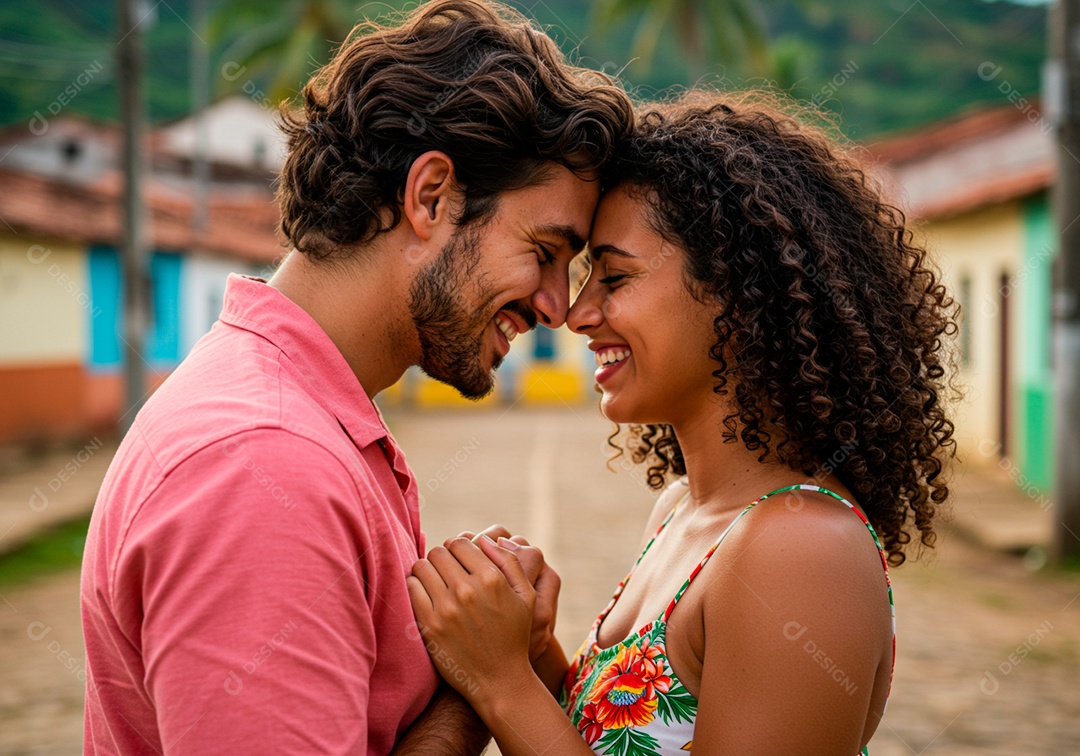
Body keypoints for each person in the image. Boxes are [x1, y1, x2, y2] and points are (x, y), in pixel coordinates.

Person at [79, 1, 632, 753]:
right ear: (430, 196)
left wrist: (487, 662)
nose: (556, 308)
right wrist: (479, 681)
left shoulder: (302, 418)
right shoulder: (261, 463)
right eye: (543, 251)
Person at [408, 91, 958, 755]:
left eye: (613, 277)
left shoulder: (799, 549)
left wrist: (500, 683)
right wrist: (531, 650)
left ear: (735, 295)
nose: (575, 314)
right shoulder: (683, 512)